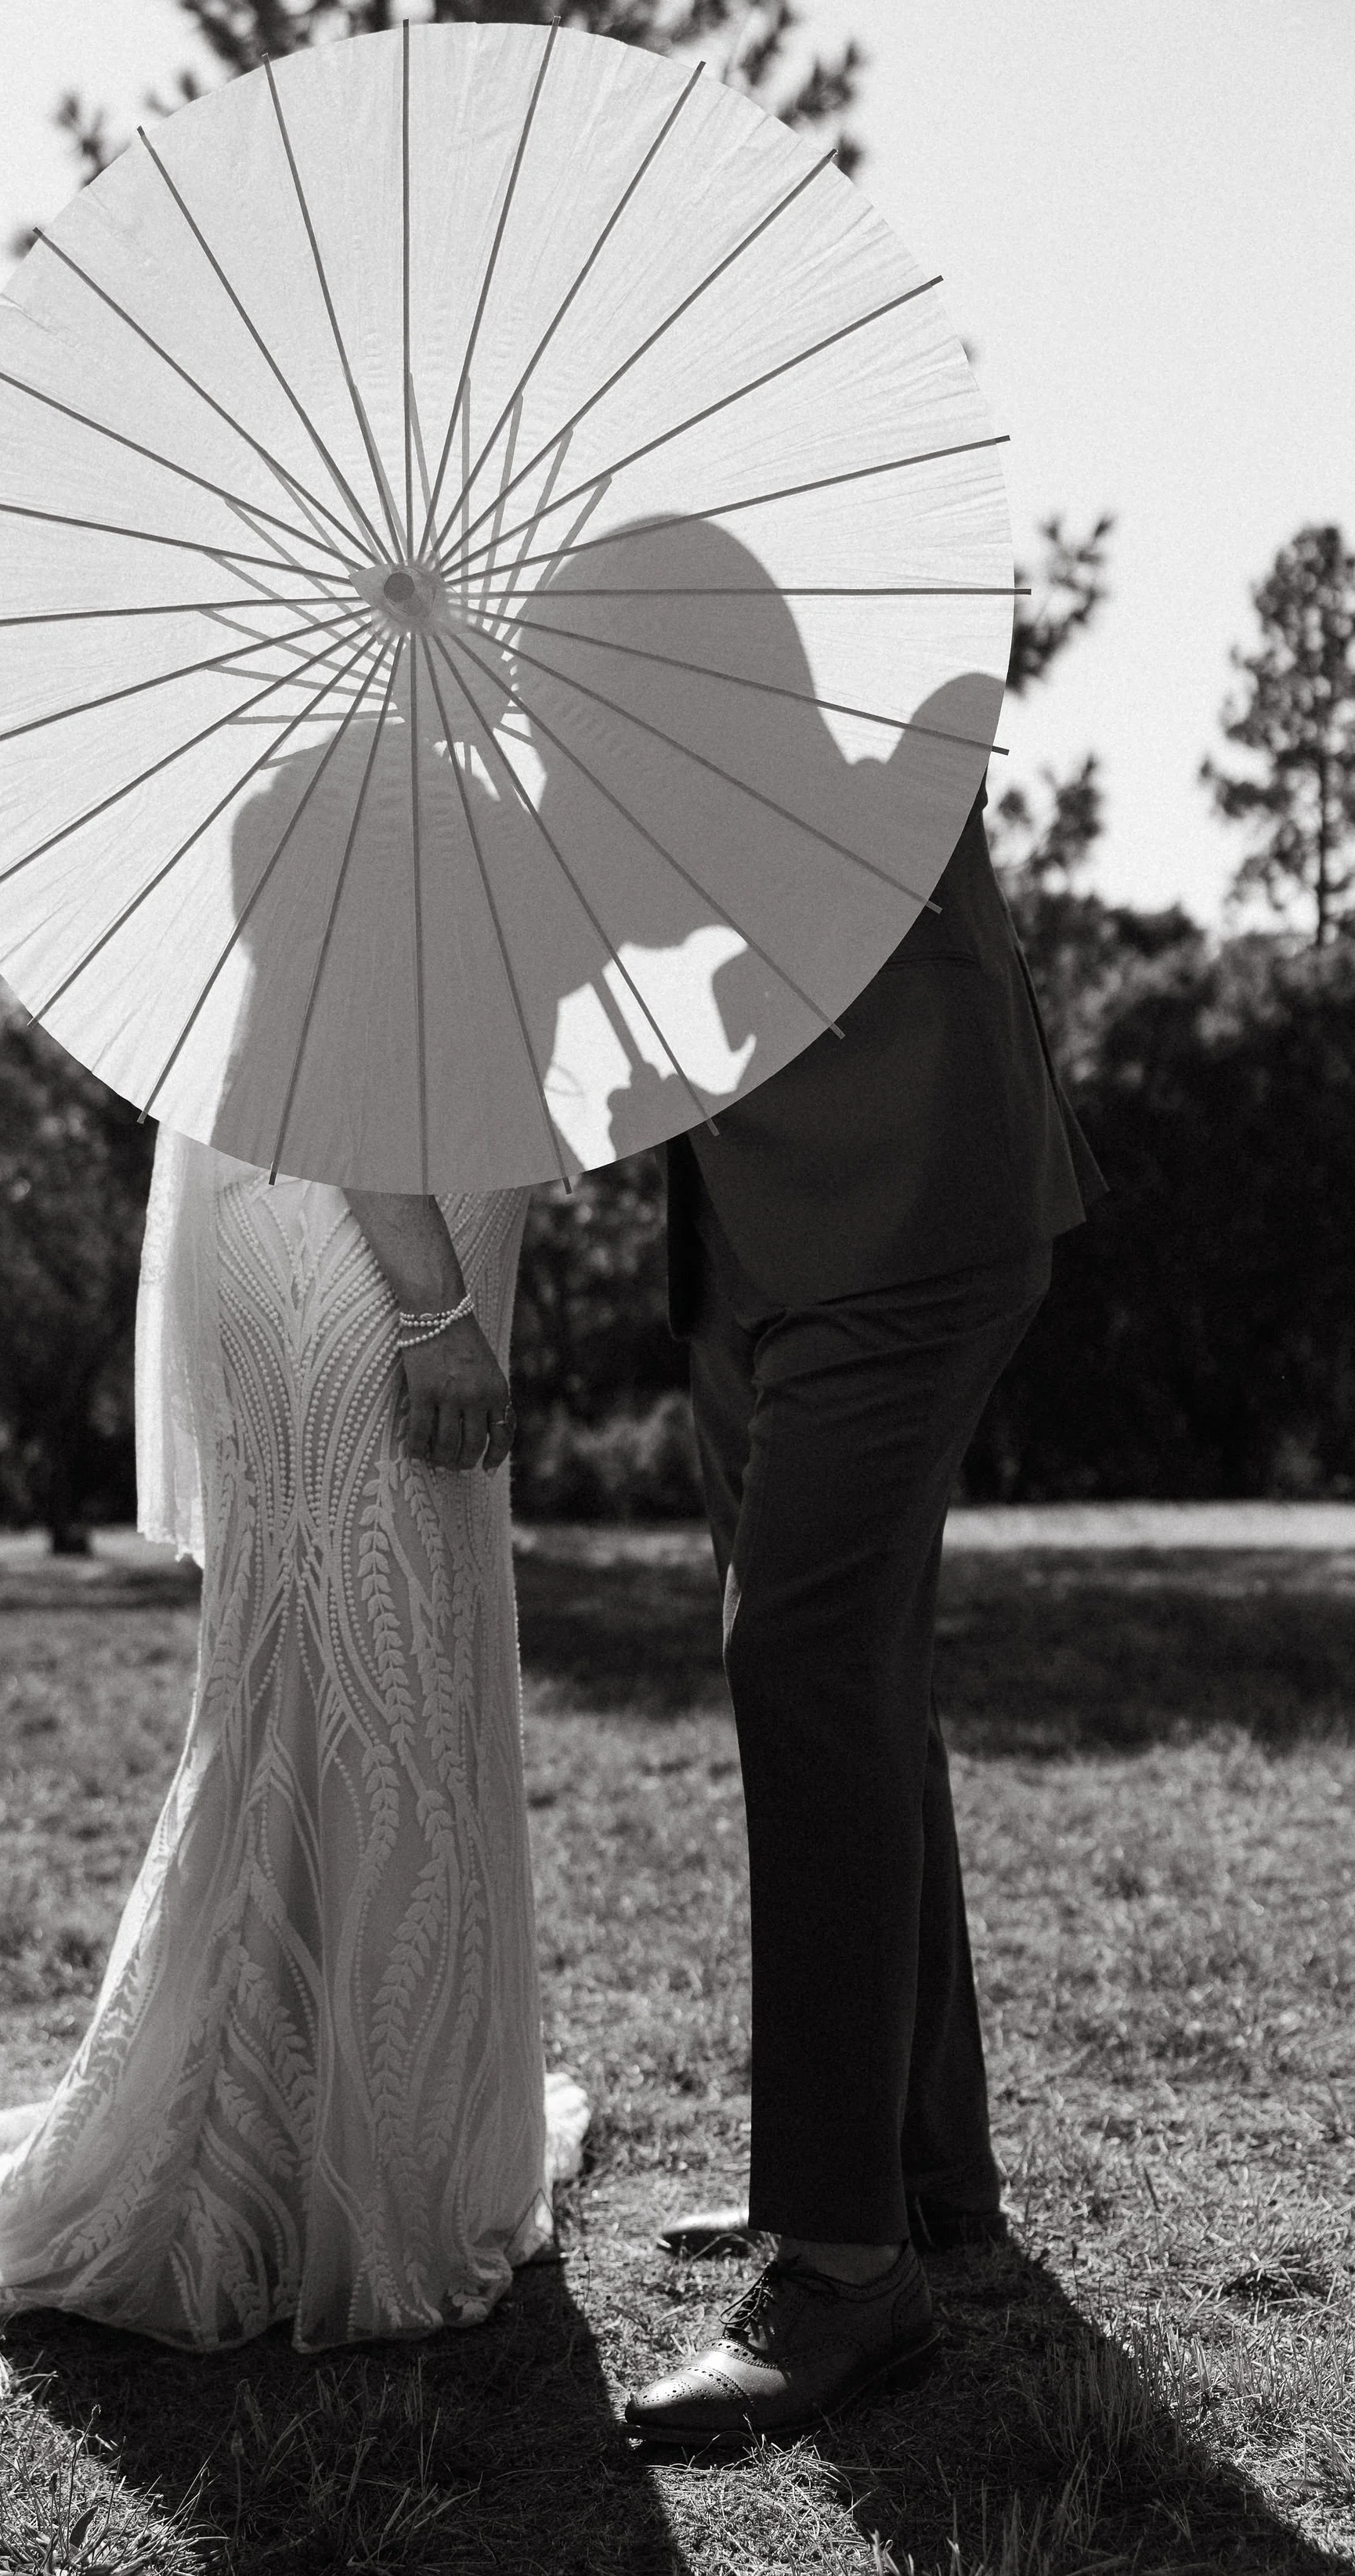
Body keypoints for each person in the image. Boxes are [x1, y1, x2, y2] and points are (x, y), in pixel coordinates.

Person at [0, 1140, 585, 2350]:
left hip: (401, 1238)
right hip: (375, 1258)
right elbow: (341, 1044)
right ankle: (306, 2166)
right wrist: (435, 1306)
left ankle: (363, 2141)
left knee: (399, 1680)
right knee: (371, 1671)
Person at [623, 779, 1103, 2445]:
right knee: (859, 1681)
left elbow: (844, 856)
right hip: (746, 1246)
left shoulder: (845, 624)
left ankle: (843, 2267)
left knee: (804, 1658)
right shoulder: (596, 705)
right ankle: (912, 2174)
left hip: (905, 1191)